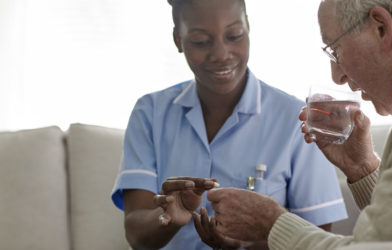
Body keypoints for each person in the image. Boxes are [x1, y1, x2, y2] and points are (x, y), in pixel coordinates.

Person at [201, 0, 392, 249]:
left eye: (335, 51)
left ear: (381, 27)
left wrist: (271, 224)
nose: (337, 76)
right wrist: (362, 168)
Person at [111, 0, 347, 249]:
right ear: (178, 40)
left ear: (248, 28)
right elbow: (136, 235)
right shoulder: (150, 113)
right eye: (201, 41)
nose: (222, 54)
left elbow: (318, 239)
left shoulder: (296, 119)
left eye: (234, 35)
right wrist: (169, 218)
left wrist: (251, 240)